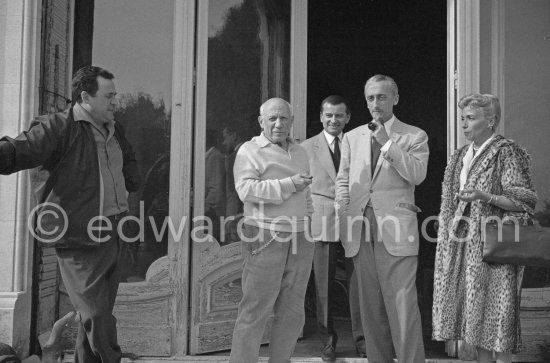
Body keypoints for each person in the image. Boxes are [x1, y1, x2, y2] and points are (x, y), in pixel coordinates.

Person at [0, 66, 140, 363]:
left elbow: (127, 160)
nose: (115, 101)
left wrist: (132, 185)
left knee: (96, 314)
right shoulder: (58, 127)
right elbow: (20, 148)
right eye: (109, 96)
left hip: (115, 232)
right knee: (95, 314)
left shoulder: (115, 126)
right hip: (78, 236)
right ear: (85, 97)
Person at [432, 94, 537, 363]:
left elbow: (523, 201)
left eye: (471, 118)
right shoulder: (460, 156)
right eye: (463, 119)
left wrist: (485, 196)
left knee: (498, 317)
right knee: (474, 321)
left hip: (496, 247)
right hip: (464, 246)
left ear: (491, 121)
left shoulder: (506, 151)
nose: (464, 125)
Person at [335, 74, 429, 363]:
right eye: (371, 98)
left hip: (396, 228)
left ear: (395, 98)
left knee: (402, 304)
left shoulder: (414, 135)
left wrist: (387, 143)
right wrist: (342, 205)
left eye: (382, 97)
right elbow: (343, 178)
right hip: (359, 227)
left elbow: (417, 175)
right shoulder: (351, 136)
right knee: (371, 306)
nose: (375, 103)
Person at [229, 98, 314, 363]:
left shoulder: (300, 151)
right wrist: (289, 184)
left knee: (292, 309)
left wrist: (308, 216)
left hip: (301, 236)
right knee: (255, 308)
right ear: (261, 121)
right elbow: (246, 190)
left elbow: (307, 191)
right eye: (273, 118)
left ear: (292, 121)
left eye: (284, 118)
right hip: (265, 234)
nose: (279, 124)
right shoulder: (249, 150)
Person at [301, 95, 365, 361]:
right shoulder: (305, 148)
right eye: (328, 115)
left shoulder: (360, 144)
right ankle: (328, 341)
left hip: (354, 219)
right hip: (322, 218)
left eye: (339, 115)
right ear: (320, 116)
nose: (333, 120)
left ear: (347, 118)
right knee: (324, 285)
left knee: (360, 283)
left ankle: (363, 340)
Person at [222, 124, 245, 244]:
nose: (223, 143)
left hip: (238, 215)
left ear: (234, 136)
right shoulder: (252, 154)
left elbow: (232, 193)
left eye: (225, 138)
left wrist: (230, 221)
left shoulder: (235, 157)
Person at [204, 128, 226, 242]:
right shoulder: (206, 157)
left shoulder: (214, 157)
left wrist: (201, 209)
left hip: (212, 216)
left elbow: (216, 191)